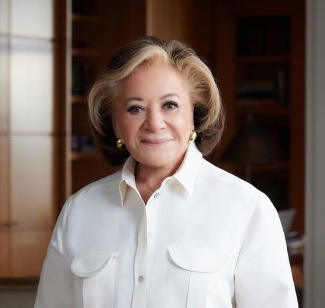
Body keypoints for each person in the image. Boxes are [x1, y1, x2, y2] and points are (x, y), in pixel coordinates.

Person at [35, 36, 298, 308]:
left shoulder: (248, 208)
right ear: (115, 122)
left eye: (170, 105)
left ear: (194, 112)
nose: (154, 123)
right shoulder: (79, 210)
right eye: (135, 108)